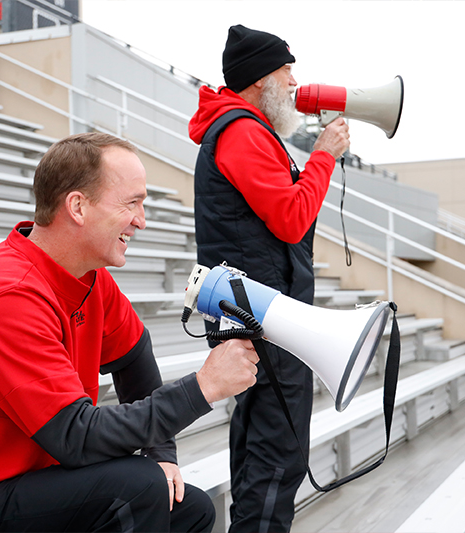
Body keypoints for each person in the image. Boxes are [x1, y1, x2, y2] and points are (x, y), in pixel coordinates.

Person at [0, 132, 260, 533]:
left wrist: (161, 452)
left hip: (25, 485)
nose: (141, 220)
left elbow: (134, 360)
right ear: (77, 206)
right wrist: (203, 387)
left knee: (188, 507)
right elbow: (76, 437)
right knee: (139, 488)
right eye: (132, 203)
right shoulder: (9, 294)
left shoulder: (89, 276)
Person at [188, 25, 351, 533]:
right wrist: (323, 155)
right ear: (261, 79)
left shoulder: (243, 130)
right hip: (265, 317)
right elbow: (291, 218)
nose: (294, 82)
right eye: (286, 71)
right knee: (277, 453)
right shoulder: (241, 132)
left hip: (259, 312)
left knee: (261, 446)